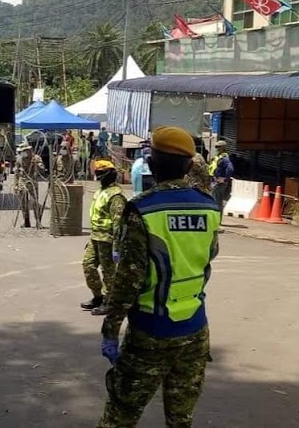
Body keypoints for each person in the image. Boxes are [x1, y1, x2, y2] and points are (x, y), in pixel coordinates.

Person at [97, 126, 221, 428]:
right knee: (180, 417)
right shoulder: (209, 206)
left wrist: (111, 329)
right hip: (194, 328)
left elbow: (128, 280)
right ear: (190, 165)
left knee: (121, 414)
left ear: (150, 163)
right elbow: (210, 254)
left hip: (151, 331)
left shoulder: (142, 209)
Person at [81, 160, 127, 316]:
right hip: (95, 237)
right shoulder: (100, 191)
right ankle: (98, 297)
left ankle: (109, 302)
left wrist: (116, 247)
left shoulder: (116, 196)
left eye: (101, 174)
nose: (99, 177)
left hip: (108, 239)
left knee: (108, 272)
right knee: (88, 265)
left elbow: (118, 223)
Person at [14, 141, 45, 228]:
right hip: (22, 182)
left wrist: (36, 165)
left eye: (25, 150)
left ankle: (38, 221)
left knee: (34, 202)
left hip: (32, 182)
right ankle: (26, 221)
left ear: (29, 150)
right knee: (23, 203)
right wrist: (15, 185)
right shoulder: (19, 159)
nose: (23, 153)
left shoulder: (36, 158)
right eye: (22, 151)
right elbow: (16, 173)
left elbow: (42, 170)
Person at [208, 140, 234, 214]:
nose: (216, 148)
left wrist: (224, 179)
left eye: (218, 147)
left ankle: (217, 219)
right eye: (216, 146)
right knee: (214, 200)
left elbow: (230, 169)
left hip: (219, 183)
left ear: (223, 148)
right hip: (214, 181)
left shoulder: (224, 158)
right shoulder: (218, 157)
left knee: (217, 201)